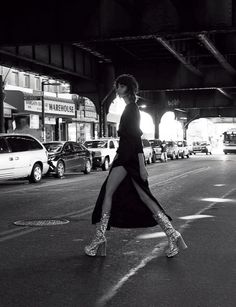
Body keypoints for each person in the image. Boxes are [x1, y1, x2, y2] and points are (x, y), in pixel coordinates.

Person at [84, 74, 187, 258]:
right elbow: (126, 139)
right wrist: (117, 158)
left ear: (128, 88)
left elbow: (135, 138)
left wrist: (141, 165)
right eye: (117, 86)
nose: (117, 89)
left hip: (128, 159)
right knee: (144, 198)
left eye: (120, 86)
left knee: (108, 194)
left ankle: (99, 239)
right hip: (124, 158)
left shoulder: (132, 109)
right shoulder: (130, 108)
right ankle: (173, 235)